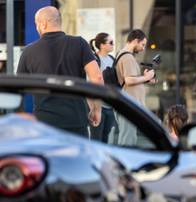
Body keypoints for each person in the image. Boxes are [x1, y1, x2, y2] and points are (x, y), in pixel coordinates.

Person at [17, 6, 103, 137]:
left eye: (36, 24)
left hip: (44, 123)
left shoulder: (28, 52)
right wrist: (96, 109)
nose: (36, 28)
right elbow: (97, 77)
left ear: (43, 24)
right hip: (76, 120)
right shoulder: (79, 43)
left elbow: (19, 89)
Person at [115, 29, 155, 146]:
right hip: (129, 105)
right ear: (136, 41)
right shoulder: (127, 57)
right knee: (127, 141)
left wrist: (145, 78)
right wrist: (147, 76)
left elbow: (130, 80)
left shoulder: (124, 55)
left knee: (129, 139)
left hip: (129, 104)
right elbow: (129, 80)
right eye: (142, 44)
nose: (143, 48)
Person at [89, 32, 116, 143]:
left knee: (107, 139)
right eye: (110, 42)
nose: (113, 45)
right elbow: (90, 84)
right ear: (102, 45)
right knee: (96, 139)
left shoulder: (112, 59)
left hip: (110, 106)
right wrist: (93, 109)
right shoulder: (94, 60)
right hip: (97, 106)